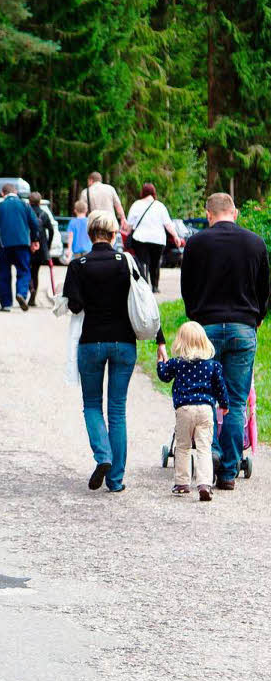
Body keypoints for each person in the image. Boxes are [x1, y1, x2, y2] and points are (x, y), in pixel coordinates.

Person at [62, 210, 167, 493]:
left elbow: (73, 306)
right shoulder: (127, 261)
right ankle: (116, 480)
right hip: (124, 344)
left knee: (92, 405)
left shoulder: (78, 265)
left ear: (89, 234)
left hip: (91, 343)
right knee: (117, 410)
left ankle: (103, 456)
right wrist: (160, 341)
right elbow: (145, 301)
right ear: (113, 235)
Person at [181, 192, 270, 490]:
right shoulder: (255, 243)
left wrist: (195, 316)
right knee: (234, 401)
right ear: (234, 212)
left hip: (206, 328)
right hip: (243, 327)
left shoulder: (196, 244)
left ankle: (212, 454)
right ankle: (229, 472)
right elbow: (264, 288)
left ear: (208, 214)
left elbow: (187, 288)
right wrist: (256, 318)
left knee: (205, 396)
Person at [157, 322, 229, 502]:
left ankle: (182, 483)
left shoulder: (178, 363)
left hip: (184, 410)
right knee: (204, 448)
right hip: (206, 409)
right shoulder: (212, 365)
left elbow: (164, 376)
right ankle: (204, 484)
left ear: (181, 342)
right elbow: (221, 387)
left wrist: (160, 361)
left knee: (183, 446)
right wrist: (224, 404)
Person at [0, 182, 39, 312]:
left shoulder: (0, 206)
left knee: (4, 273)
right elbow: (34, 223)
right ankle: (21, 294)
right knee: (24, 270)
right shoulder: (25, 205)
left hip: (5, 245)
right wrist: (35, 240)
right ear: (16, 192)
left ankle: (6, 304)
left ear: (3, 193)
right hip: (22, 243)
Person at [126, 183, 177, 292]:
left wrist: (127, 234)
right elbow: (168, 224)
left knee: (142, 262)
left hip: (140, 239)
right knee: (155, 263)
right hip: (158, 240)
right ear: (154, 192)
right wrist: (176, 236)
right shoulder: (160, 206)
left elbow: (130, 224)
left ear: (142, 192)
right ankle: (155, 287)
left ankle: (144, 286)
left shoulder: (136, 205)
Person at [28, 192, 54, 306]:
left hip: (28, 246)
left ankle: (31, 289)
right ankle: (33, 299)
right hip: (40, 247)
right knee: (35, 272)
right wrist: (48, 244)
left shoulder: (27, 213)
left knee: (26, 271)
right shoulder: (44, 214)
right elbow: (51, 230)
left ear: (29, 201)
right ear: (40, 202)